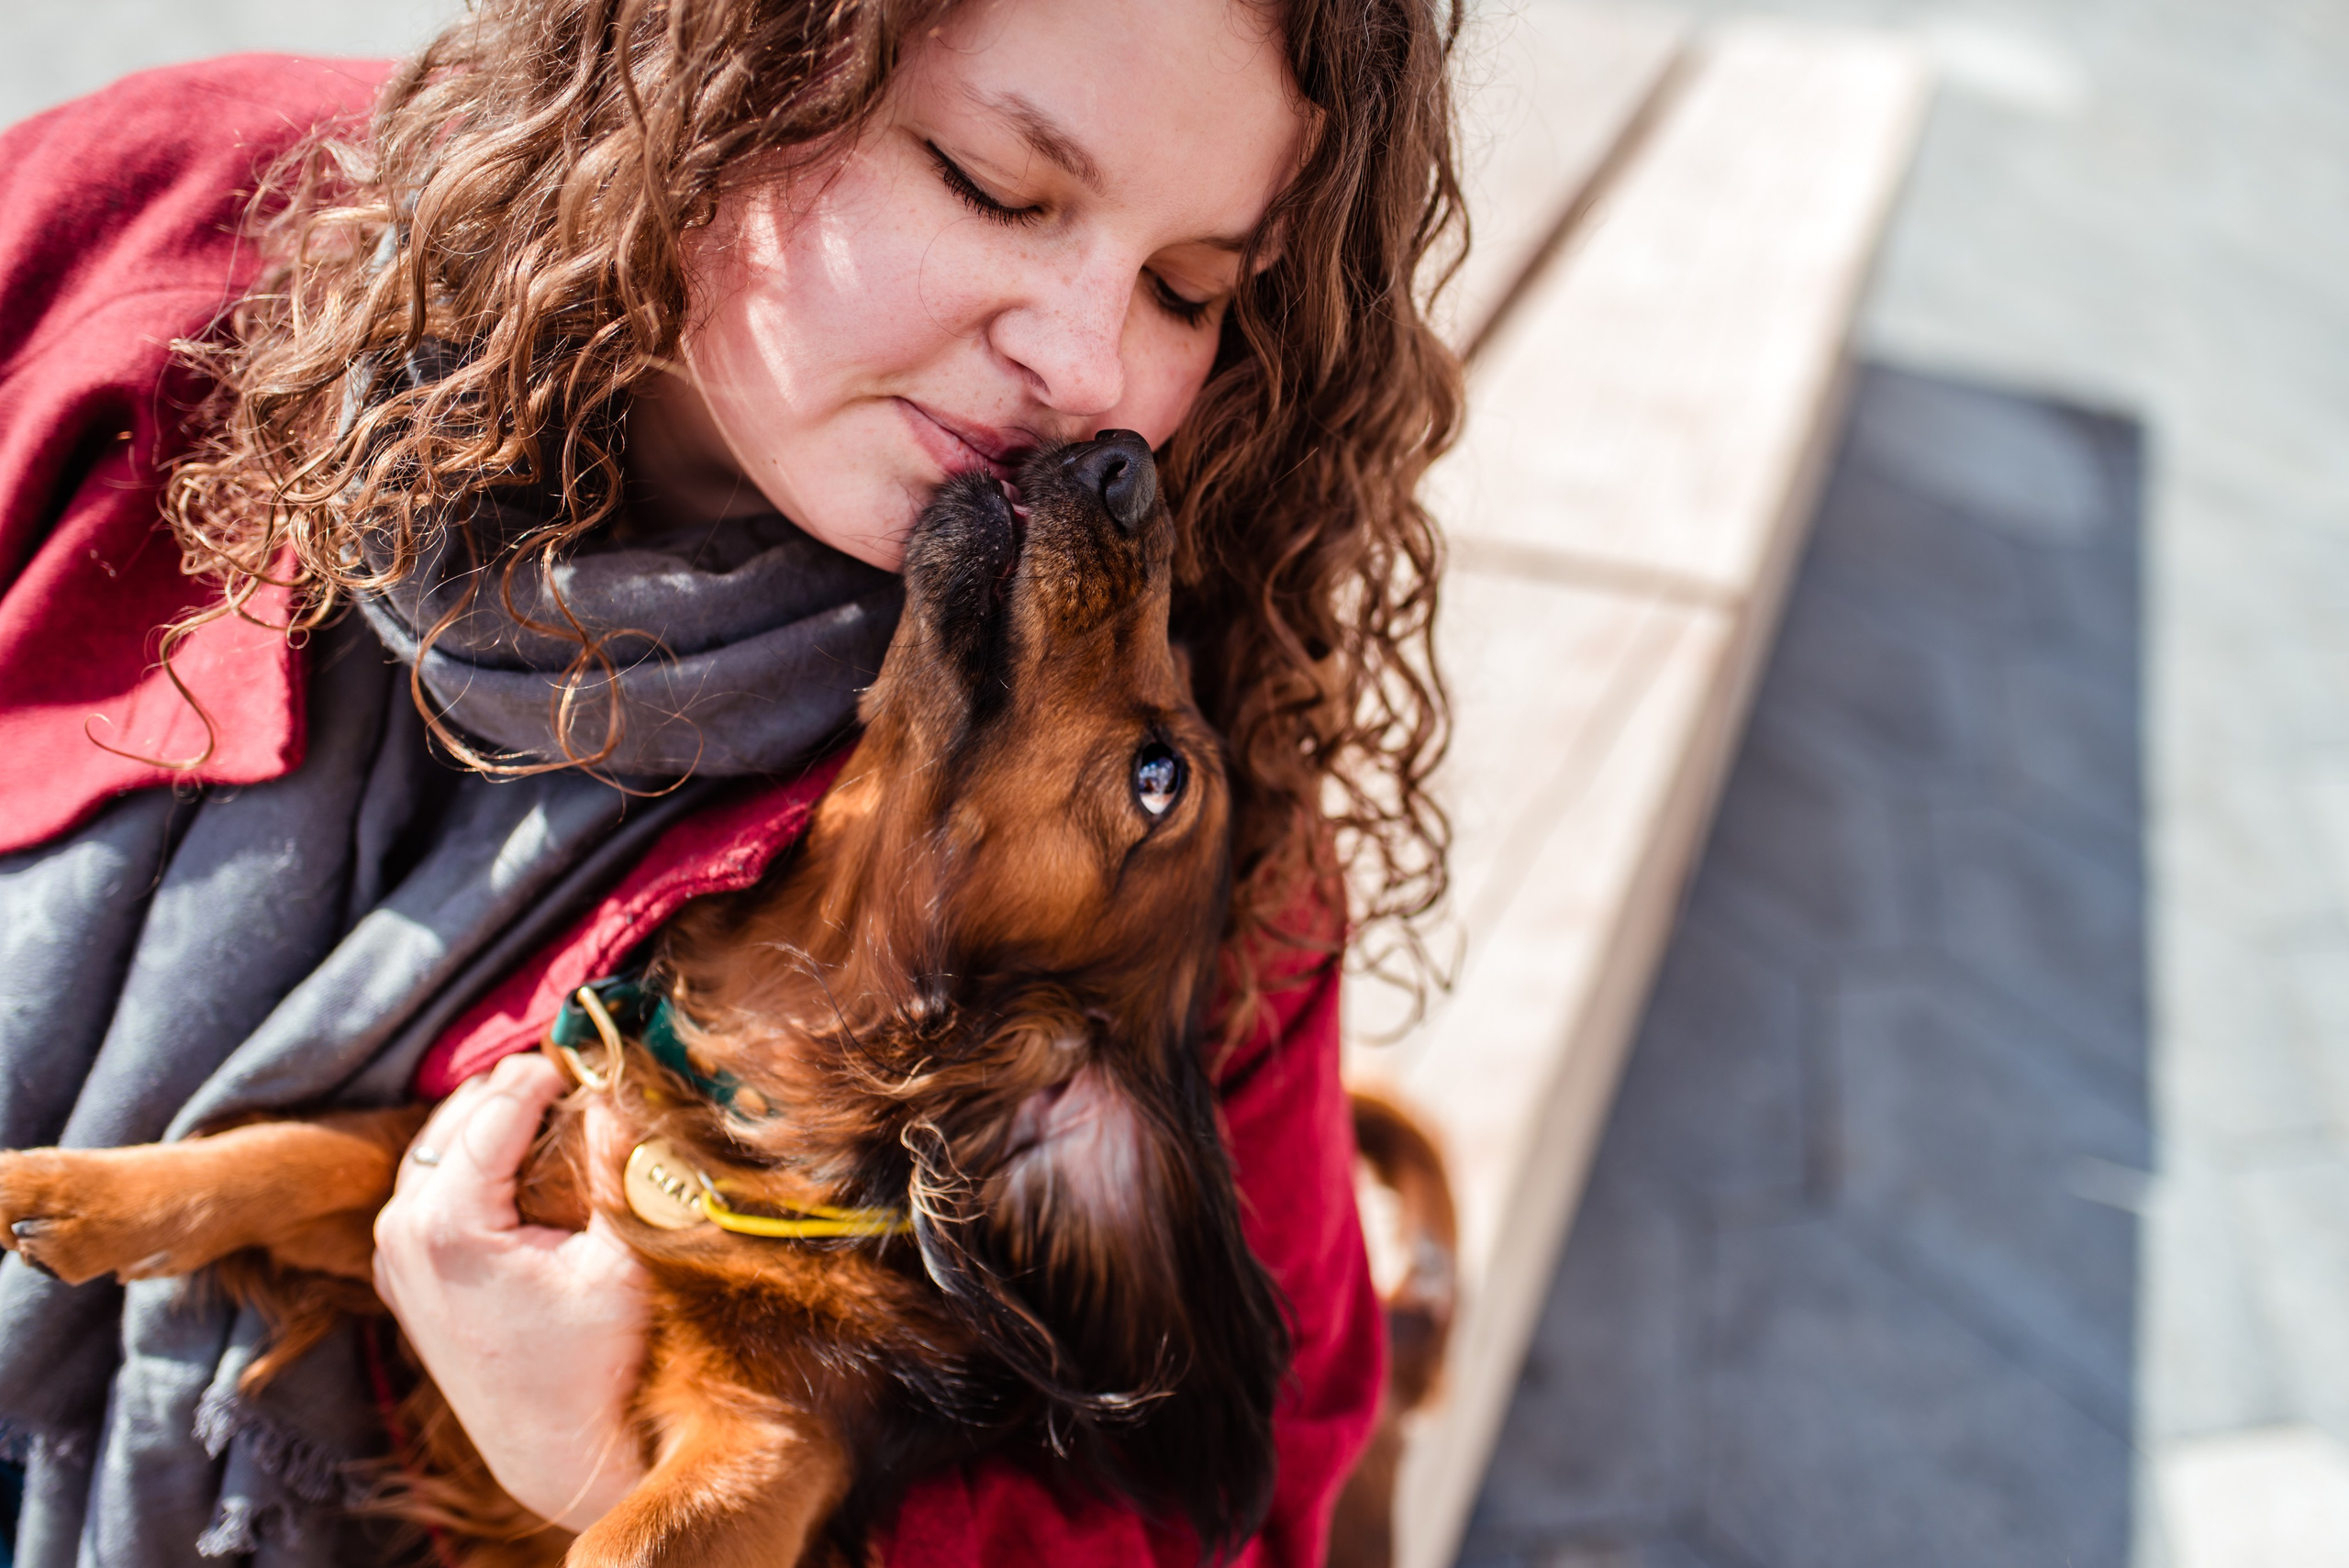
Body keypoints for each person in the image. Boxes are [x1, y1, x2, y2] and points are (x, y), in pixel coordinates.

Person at [0, 0, 1463, 1562]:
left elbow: (1244, 1511)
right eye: (990, 182)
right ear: (720, 57)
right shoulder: (154, 237)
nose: (1091, 368)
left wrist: (586, 1458)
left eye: (1188, 288)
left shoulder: (1209, 906)